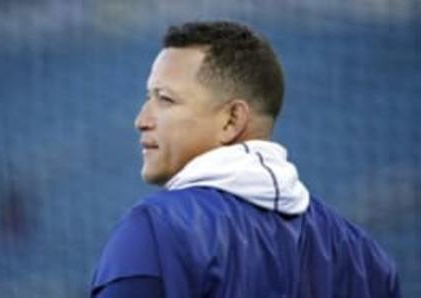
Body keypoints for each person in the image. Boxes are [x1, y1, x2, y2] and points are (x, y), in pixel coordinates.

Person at [90, 21, 401, 298]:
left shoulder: (156, 230)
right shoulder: (365, 257)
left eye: (165, 99)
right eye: (149, 97)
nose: (141, 119)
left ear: (232, 119)